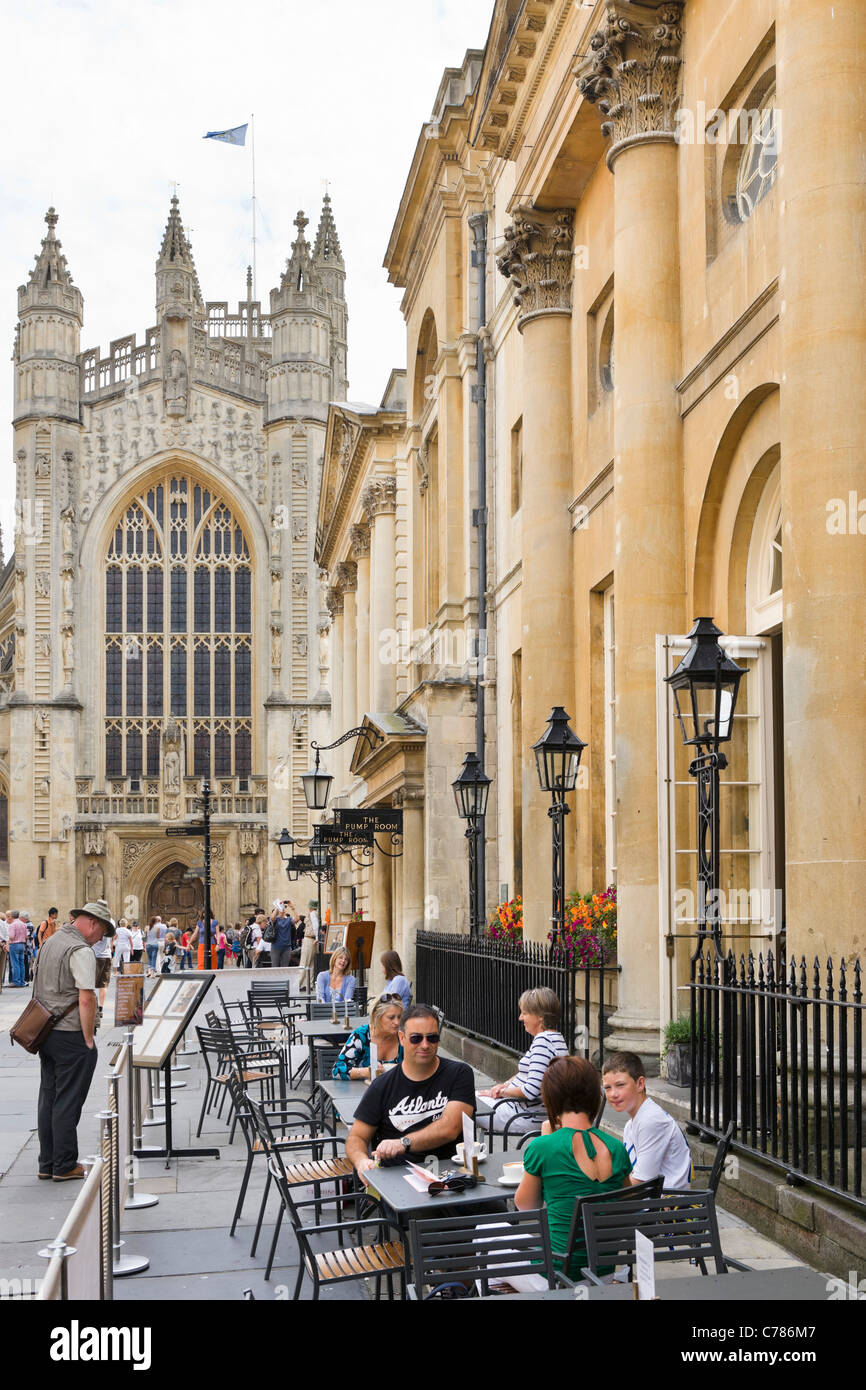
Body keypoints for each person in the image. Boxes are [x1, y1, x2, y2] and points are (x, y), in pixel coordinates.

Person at [514, 1056, 631, 1279]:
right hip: (603, 1274)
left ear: (551, 1098)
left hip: (555, 1274)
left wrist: (547, 1138)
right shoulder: (617, 1148)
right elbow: (625, 1206)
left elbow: (526, 1205)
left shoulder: (543, 1147)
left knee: (485, 1241)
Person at [33, 898, 116, 1181]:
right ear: (92, 923)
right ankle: (65, 1163)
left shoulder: (50, 942)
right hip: (69, 1033)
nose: (99, 939)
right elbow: (86, 997)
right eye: (101, 932)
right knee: (68, 1099)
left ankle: (48, 1162)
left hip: (45, 1030)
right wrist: (89, 1038)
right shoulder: (80, 950)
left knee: (49, 1096)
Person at [346, 1004, 475, 1172]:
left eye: (432, 1037)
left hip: (451, 1175)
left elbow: (450, 1128)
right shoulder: (382, 1085)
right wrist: (361, 1161)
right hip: (398, 1180)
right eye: (416, 1038)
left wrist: (403, 1143)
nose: (425, 1045)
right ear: (401, 1038)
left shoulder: (459, 1073)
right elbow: (356, 1137)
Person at [478, 987, 568, 1134]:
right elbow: (527, 1073)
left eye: (525, 1013)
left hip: (522, 1115)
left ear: (540, 1017)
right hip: (520, 1109)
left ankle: (465, 1155)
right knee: (464, 1100)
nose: (520, 1018)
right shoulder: (556, 1038)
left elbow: (530, 1090)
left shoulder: (543, 1041)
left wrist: (502, 1092)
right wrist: (503, 1085)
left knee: (461, 1105)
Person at [602, 1051, 692, 1190]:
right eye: (608, 1087)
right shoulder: (632, 1124)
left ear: (640, 1084)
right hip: (650, 1200)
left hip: (667, 1205)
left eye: (620, 1085)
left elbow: (639, 1182)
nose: (613, 1094)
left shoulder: (651, 1121)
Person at [333, 998, 404, 1080]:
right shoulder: (361, 1035)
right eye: (391, 1018)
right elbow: (336, 1071)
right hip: (363, 1091)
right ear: (376, 1016)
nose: (397, 1022)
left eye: (399, 1017)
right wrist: (365, 1072)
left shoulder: (403, 1037)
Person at [269, 900, 295, 969]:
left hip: (287, 947)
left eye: (283, 908)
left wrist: (292, 907)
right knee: (275, 967)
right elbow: (272, 918)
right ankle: (275, 980)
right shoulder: (276, 919)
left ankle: (284, 980)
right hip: (276, 946)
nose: (282, 910)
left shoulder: (289, 919)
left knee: (285, 968)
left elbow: (297, 919)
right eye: (281, 908)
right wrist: (277, 907)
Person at [7, 910, 28, 987]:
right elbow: (26, 936)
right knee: (21, 964)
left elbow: (11, 937)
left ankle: (16, 981)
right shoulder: (24, 924)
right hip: (22, 944)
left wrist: (8, 938)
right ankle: (22, 981)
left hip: (14, 944)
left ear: (11, 916)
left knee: (15, 964)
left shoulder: (12, 925)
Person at [297, 913, 317, 991]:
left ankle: (299, 983)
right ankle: (308, 984)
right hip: (311, 940)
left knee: (304, 963)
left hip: (309, 939)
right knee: (310, 964)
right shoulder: (313, 918)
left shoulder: (312, 918)